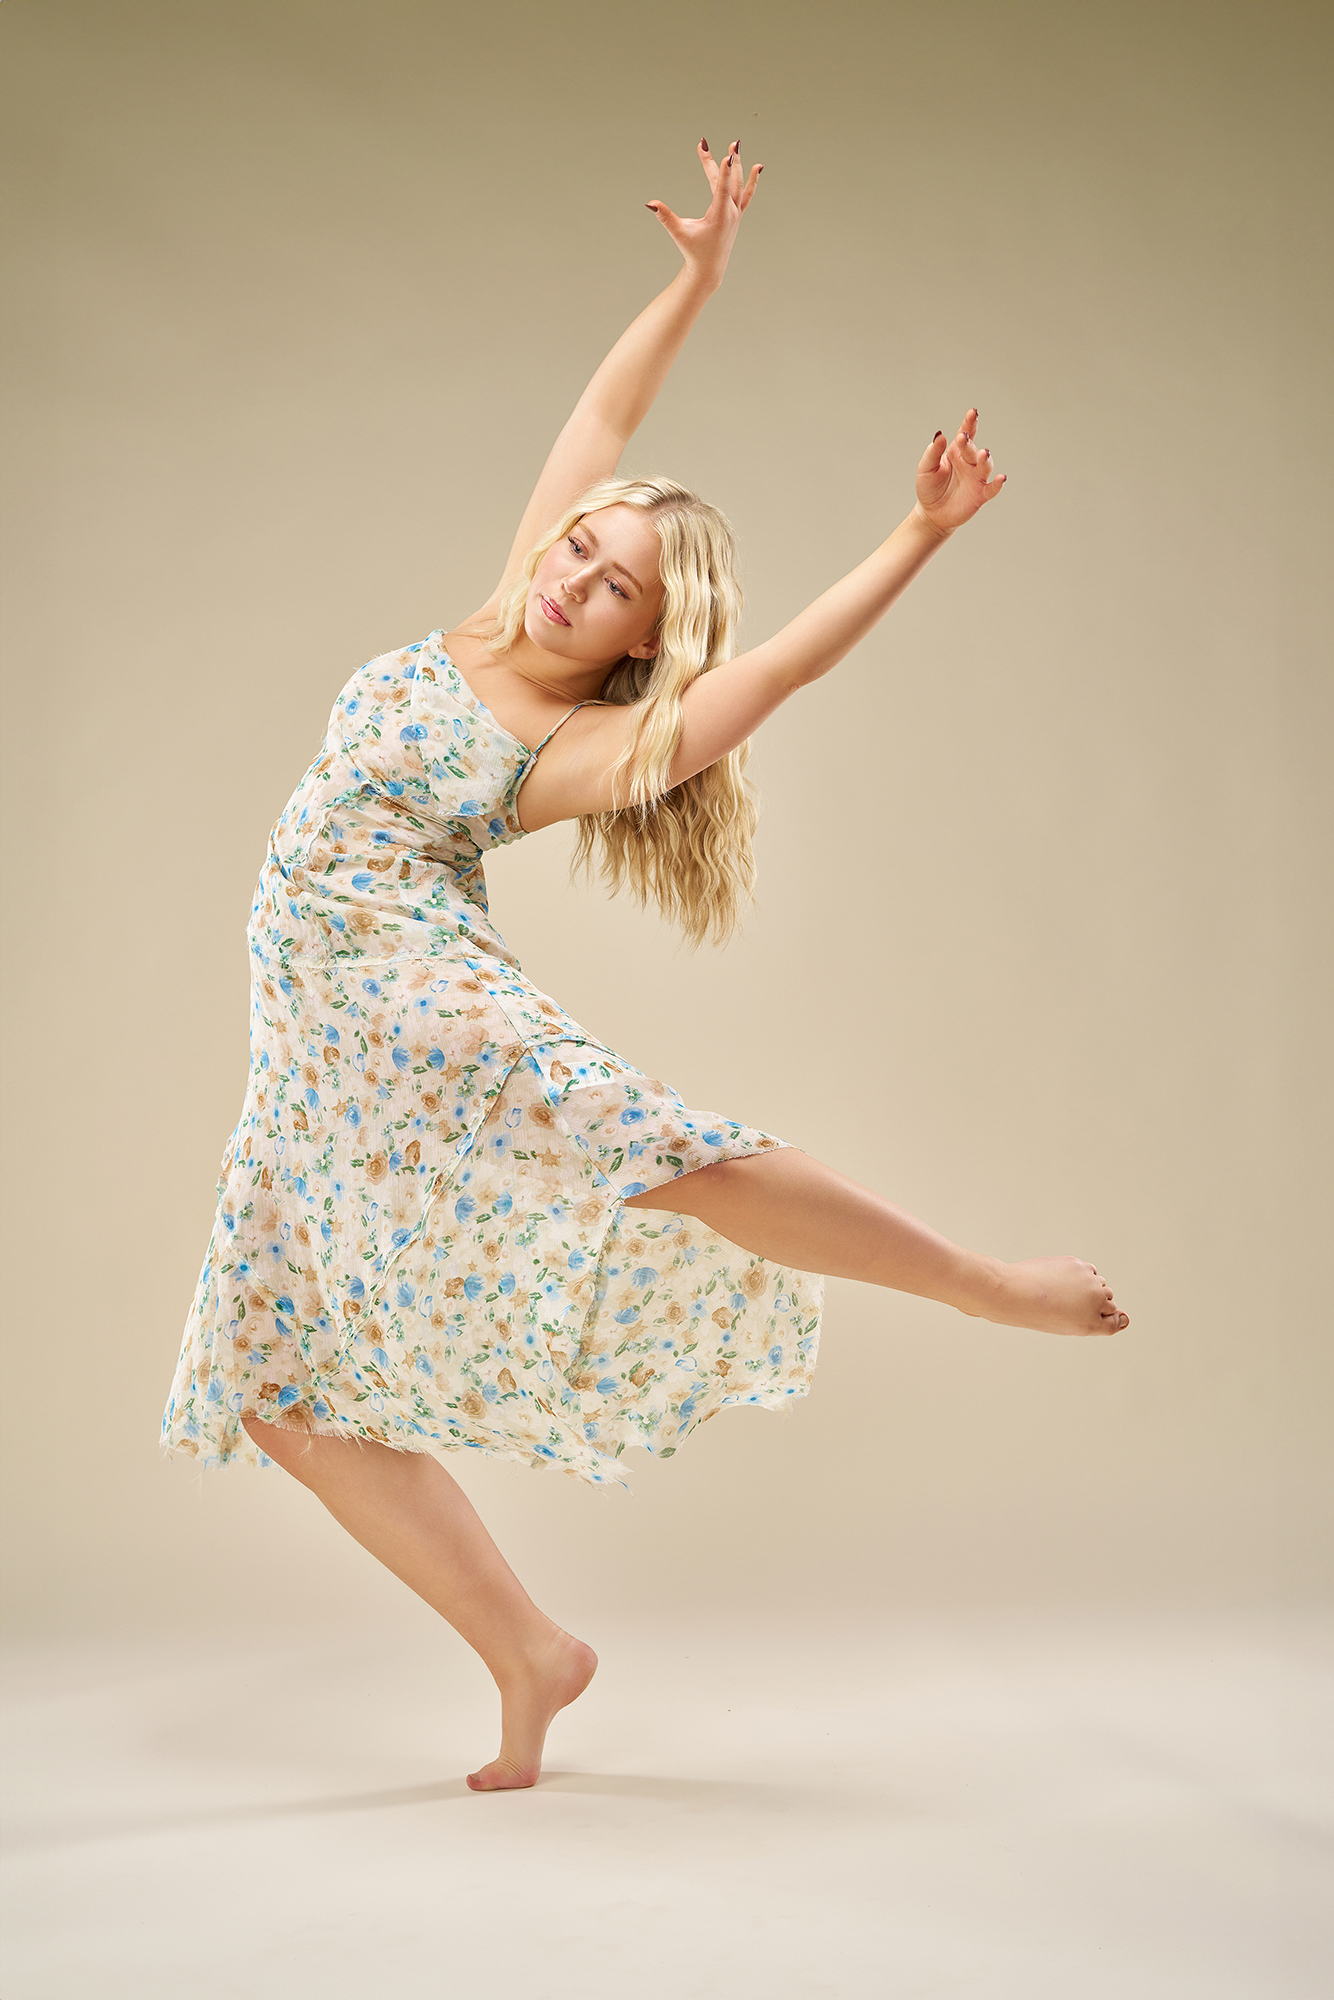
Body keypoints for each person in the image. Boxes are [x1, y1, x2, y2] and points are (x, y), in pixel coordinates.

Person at [163, 137, 1128, 1791]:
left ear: (637, 647)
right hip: (311, 1055)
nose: (573, 572)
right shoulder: (490, 611)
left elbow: (783, 681)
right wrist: (695, 280)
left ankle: (979, 1282)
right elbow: (602, 428)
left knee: (664, 1153)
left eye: (610, 586)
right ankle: (533, 1655)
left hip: (420, 1009)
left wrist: (917, 536)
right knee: (275, 1384)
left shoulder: (572, 742)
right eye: (578, 549)